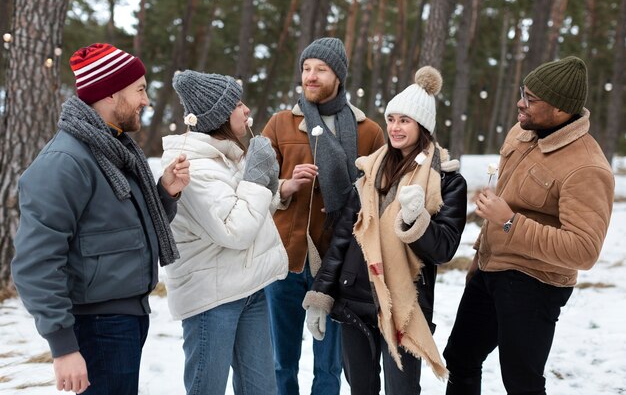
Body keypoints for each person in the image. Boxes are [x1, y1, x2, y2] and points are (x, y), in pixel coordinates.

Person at [11, 43, 190, 395]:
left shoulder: (115, 149)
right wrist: (64, 347)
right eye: (139, 89)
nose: (146, 100)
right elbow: (35, 263)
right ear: (110, 93)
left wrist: (165, 194)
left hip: (124, 317)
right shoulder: (66, 162)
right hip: (96, 324)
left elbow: (125, 231)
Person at [443, 56, 615, 395]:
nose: (521, 103)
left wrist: (508, 221)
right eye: (524, 92)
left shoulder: (588, 167)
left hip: (536, 283)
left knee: (521, 383)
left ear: (562, 109)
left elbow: (584, 251)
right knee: (460, 359)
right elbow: (503, 199)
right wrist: (480, 256)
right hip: (490, 270)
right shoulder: (522, 132)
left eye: (532, 99)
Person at [302, 66, 468, 394]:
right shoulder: (368, 174)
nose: (394, 127)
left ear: (423, 126)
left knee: (402, 391)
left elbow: (444, 249)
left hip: (405, 306)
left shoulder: (447, 183)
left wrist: (415, 217)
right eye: (391, 119)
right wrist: (322, 295)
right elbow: (342, 240)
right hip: (355, 302)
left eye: (404, 120)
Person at [261, 37, 385, 395]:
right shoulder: (281, 125)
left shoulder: (369, 132)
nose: (310, 76)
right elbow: (252, 188)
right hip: (285, 261)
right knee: (280, 362)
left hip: (336, 267)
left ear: (339, 76)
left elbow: (378, 197)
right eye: (306, 68)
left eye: (321, 69)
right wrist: (285, 187)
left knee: (329, 367)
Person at [161, 70, 288, 395]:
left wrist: (275, 188)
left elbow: (248, 212)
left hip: (248, 288)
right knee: (208, 388)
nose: (246, 110)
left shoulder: (225, 158)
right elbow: (235, 230)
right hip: (212, 299)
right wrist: (257, 178)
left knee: (262, 389)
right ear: (218, 115)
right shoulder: (195, 167)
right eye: (238, 104)